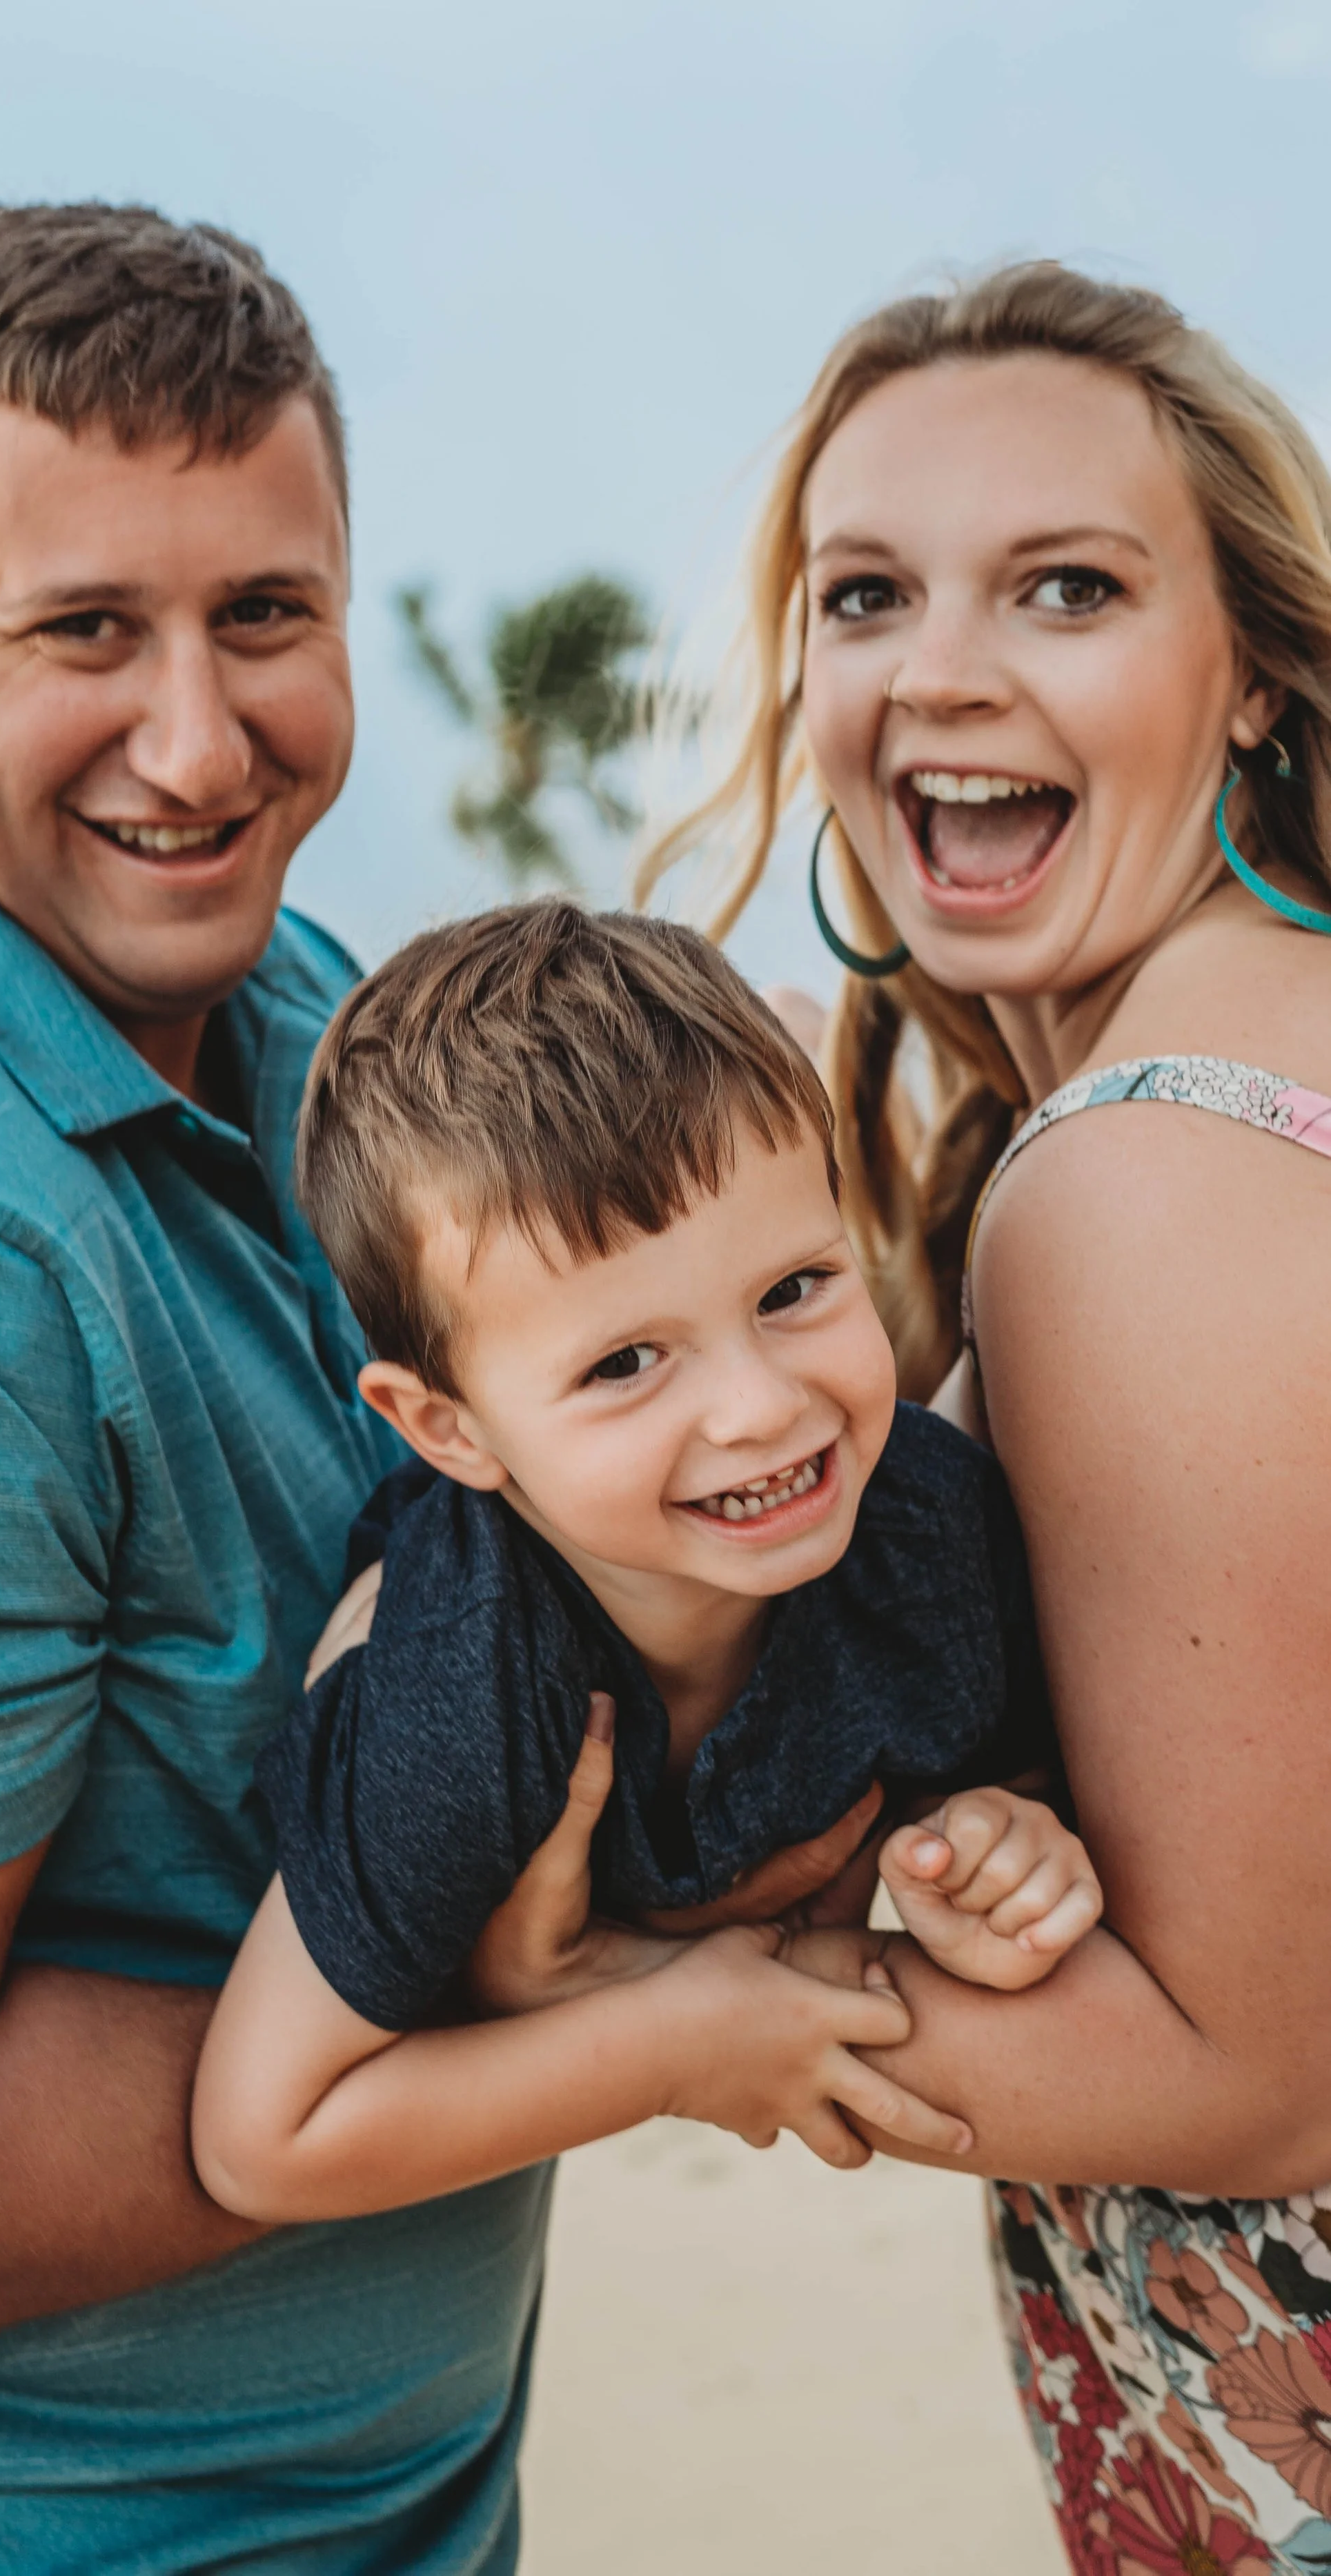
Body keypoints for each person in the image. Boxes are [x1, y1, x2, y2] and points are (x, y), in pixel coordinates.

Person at [0, 199, 751, 2576]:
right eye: (83, 632)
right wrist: (569, 2008)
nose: (201, 744)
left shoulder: (299, 1005)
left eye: (263, 615)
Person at [548, 259, 1331, 2563]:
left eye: (1067, 588)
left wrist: (581, 2003)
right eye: (865, 593)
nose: (941, 673)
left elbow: (1254, 2072)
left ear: (1254, 668)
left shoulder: (1148, 1168)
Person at [189, 898, 1103, 2224]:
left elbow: (1006, 1770)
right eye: (625, 1363)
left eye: (793, 1289)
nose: (762, 1408)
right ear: (449, 1429)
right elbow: (262, 2135)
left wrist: (996, 1847)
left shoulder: (930, 1532)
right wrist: (675, 2046)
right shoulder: (461, 1702)